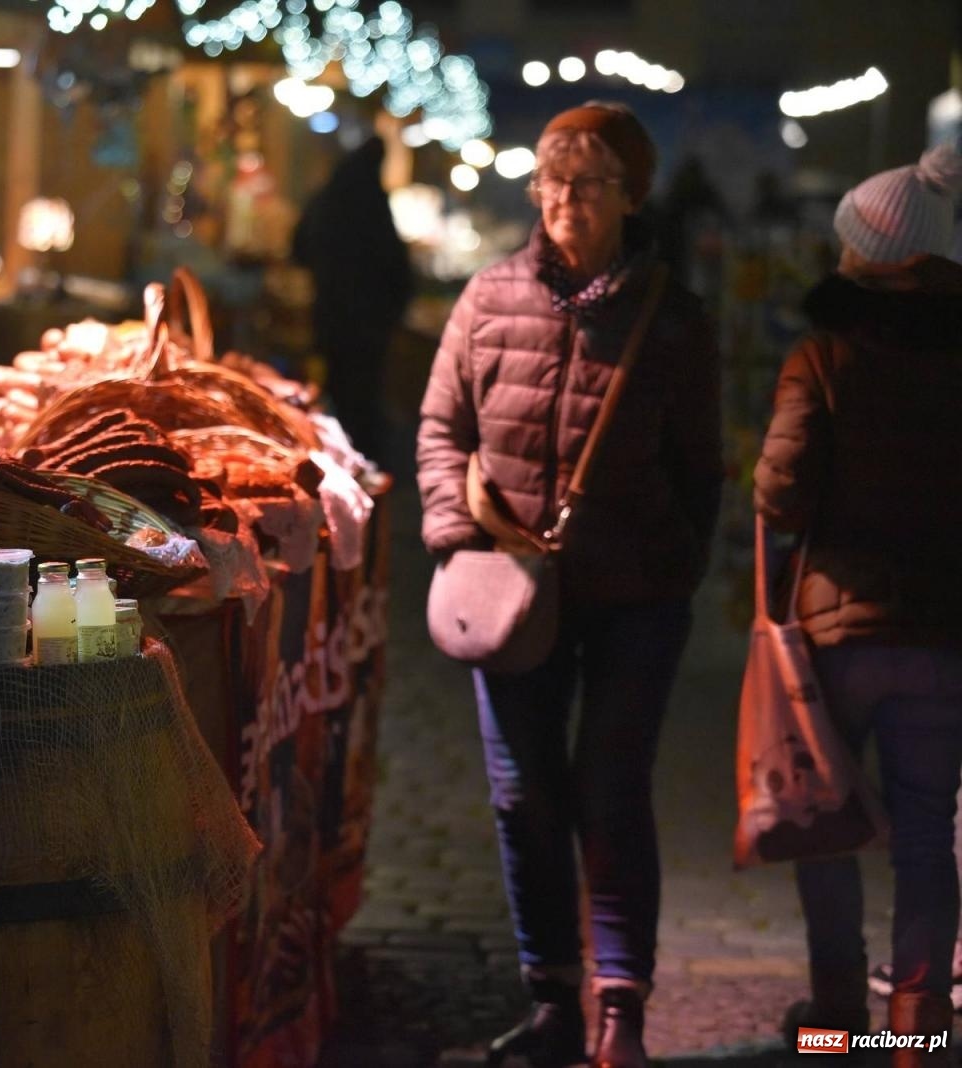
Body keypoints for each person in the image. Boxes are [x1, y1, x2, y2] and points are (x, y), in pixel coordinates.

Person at [417, 102, 722, 1068]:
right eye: (552, 181)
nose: (565, 200)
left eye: (589, 183)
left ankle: (622, 1006)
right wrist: (456, 536)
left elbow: (701, 467)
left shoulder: (673, 316)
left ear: (632, 197)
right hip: (510, 585)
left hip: (636, 595)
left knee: (612, 790)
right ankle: (550, 998)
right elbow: (442, 429)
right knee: (524, 796)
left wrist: (675, 562)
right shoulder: (489, 297)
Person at [756, 143, 962, 1064]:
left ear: (874, 252)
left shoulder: (823, 353)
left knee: (826, 822)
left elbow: (780, 493)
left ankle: (837, 1020)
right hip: (945, 630)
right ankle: (920, 1026)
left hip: (839, 630)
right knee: (926, 829)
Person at [292, 135, 412, 464]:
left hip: (331, 314)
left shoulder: (327, 197)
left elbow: (298, 248)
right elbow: (395, 265)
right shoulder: (373, 203)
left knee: (336, 388)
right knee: (363, 394)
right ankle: (360, 460)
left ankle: (336, 455)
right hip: (368, 322)